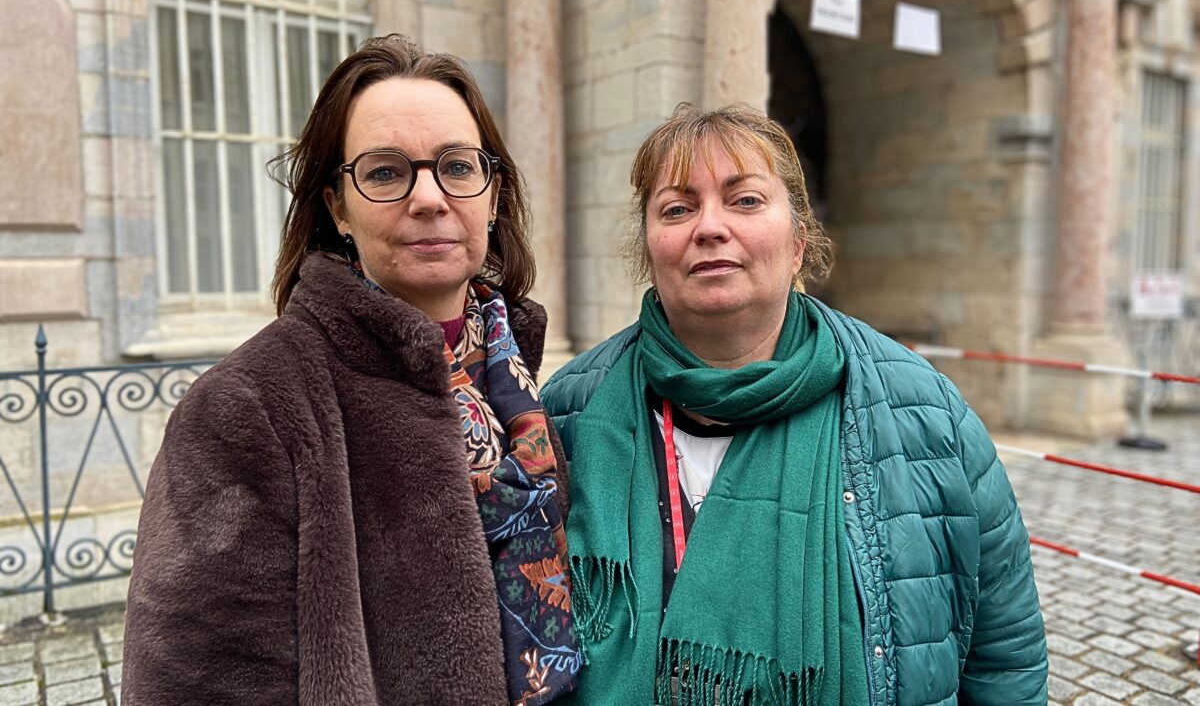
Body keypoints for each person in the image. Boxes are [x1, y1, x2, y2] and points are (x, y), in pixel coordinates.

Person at [123, 35, 579, 705]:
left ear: (493, 193)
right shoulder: (248, 407)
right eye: (386, 172)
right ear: (338, 206)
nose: (429, 197)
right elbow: (197, 682)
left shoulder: (518, 381)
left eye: (456, 166)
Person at [542, 104, 1047, 706]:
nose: (709, 227)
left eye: (746, 200)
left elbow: (1003, 651)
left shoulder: (923, 410)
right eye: (677, 208)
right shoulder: (568, 411)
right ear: (649, 248)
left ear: (799, 241)